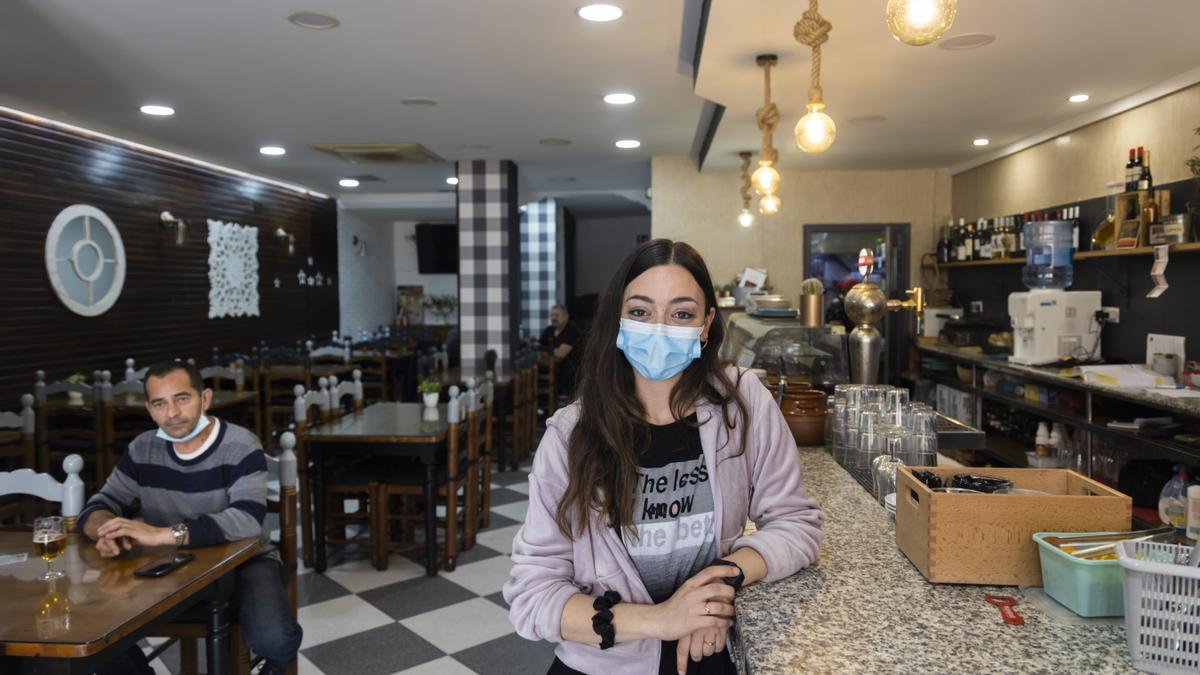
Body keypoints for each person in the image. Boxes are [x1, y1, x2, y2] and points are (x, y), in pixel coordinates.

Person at [504, 239, 823, 674]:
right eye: (640, 312)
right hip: (603, 662)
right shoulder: (570, 434)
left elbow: (796, 523)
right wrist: (662, 619)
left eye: (681, 314)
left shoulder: (742, 401)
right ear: (617, 319)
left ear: (707, 323)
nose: (659, 328)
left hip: (708, 650)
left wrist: (715, 588)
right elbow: (533, 596)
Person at [77, 360, 302, 675]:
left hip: (245, 561)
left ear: (205, 399)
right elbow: (100, 503)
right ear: (150, 409)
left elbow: (247, 521)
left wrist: (160, 534)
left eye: (181, 398)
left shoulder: (240, 444)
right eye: (160, 403)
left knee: (275, 640)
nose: (172, 412)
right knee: (90, 630)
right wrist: (106, 529)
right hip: (169, 565)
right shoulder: (143, 449)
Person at [538, 304, 581, 399]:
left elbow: (561, 354)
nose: (554, 318)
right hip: (551, 370)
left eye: (557, 315)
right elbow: (538, 348)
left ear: (566, 316)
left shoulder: (572, 330)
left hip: (569, 373)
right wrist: (551, 351)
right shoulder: (549, 330)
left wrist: (546, 352)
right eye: (552, 315)